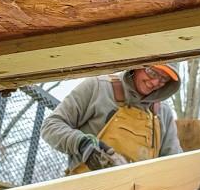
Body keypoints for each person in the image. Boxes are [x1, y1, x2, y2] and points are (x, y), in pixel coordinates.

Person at [41, 64, 183, 175]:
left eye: (163, 79)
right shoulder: (97, 88)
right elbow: (51, 126)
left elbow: (174, 165)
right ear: (138, 66)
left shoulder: (163, 113)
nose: (154, 82)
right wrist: (83, 144)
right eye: (152, 72)